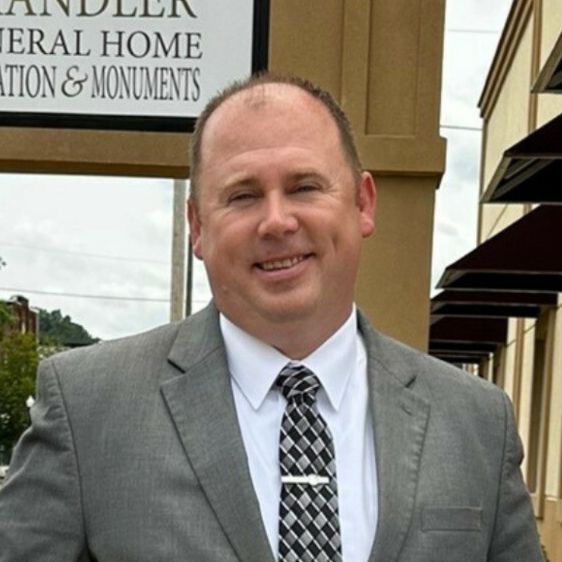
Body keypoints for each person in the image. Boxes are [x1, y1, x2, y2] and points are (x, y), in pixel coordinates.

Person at [0, 74, 541, 562]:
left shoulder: (476, 423)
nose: (277, 221)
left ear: (363, 203)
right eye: (243, 195)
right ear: (196, 227)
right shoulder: (88, 408)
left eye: (305, 186)